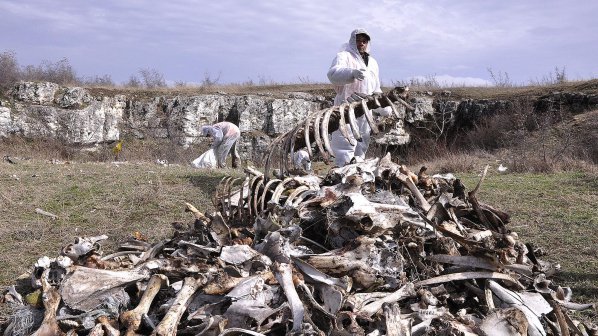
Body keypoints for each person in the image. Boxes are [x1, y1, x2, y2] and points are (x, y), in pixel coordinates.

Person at [327, 28, 390, 167]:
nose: (361, 43)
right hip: (345, 107)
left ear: (367, 43)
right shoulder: (343, 56)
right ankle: (342, 171)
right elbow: (332, 74)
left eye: (364, 41)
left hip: (365, 109)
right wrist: (351, 73)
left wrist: (383, 106)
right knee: (345, 139)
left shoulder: (373, 62)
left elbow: (375, 87)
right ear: (352, 41)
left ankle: (358, 173)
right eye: (358, 40)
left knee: (362, 140)